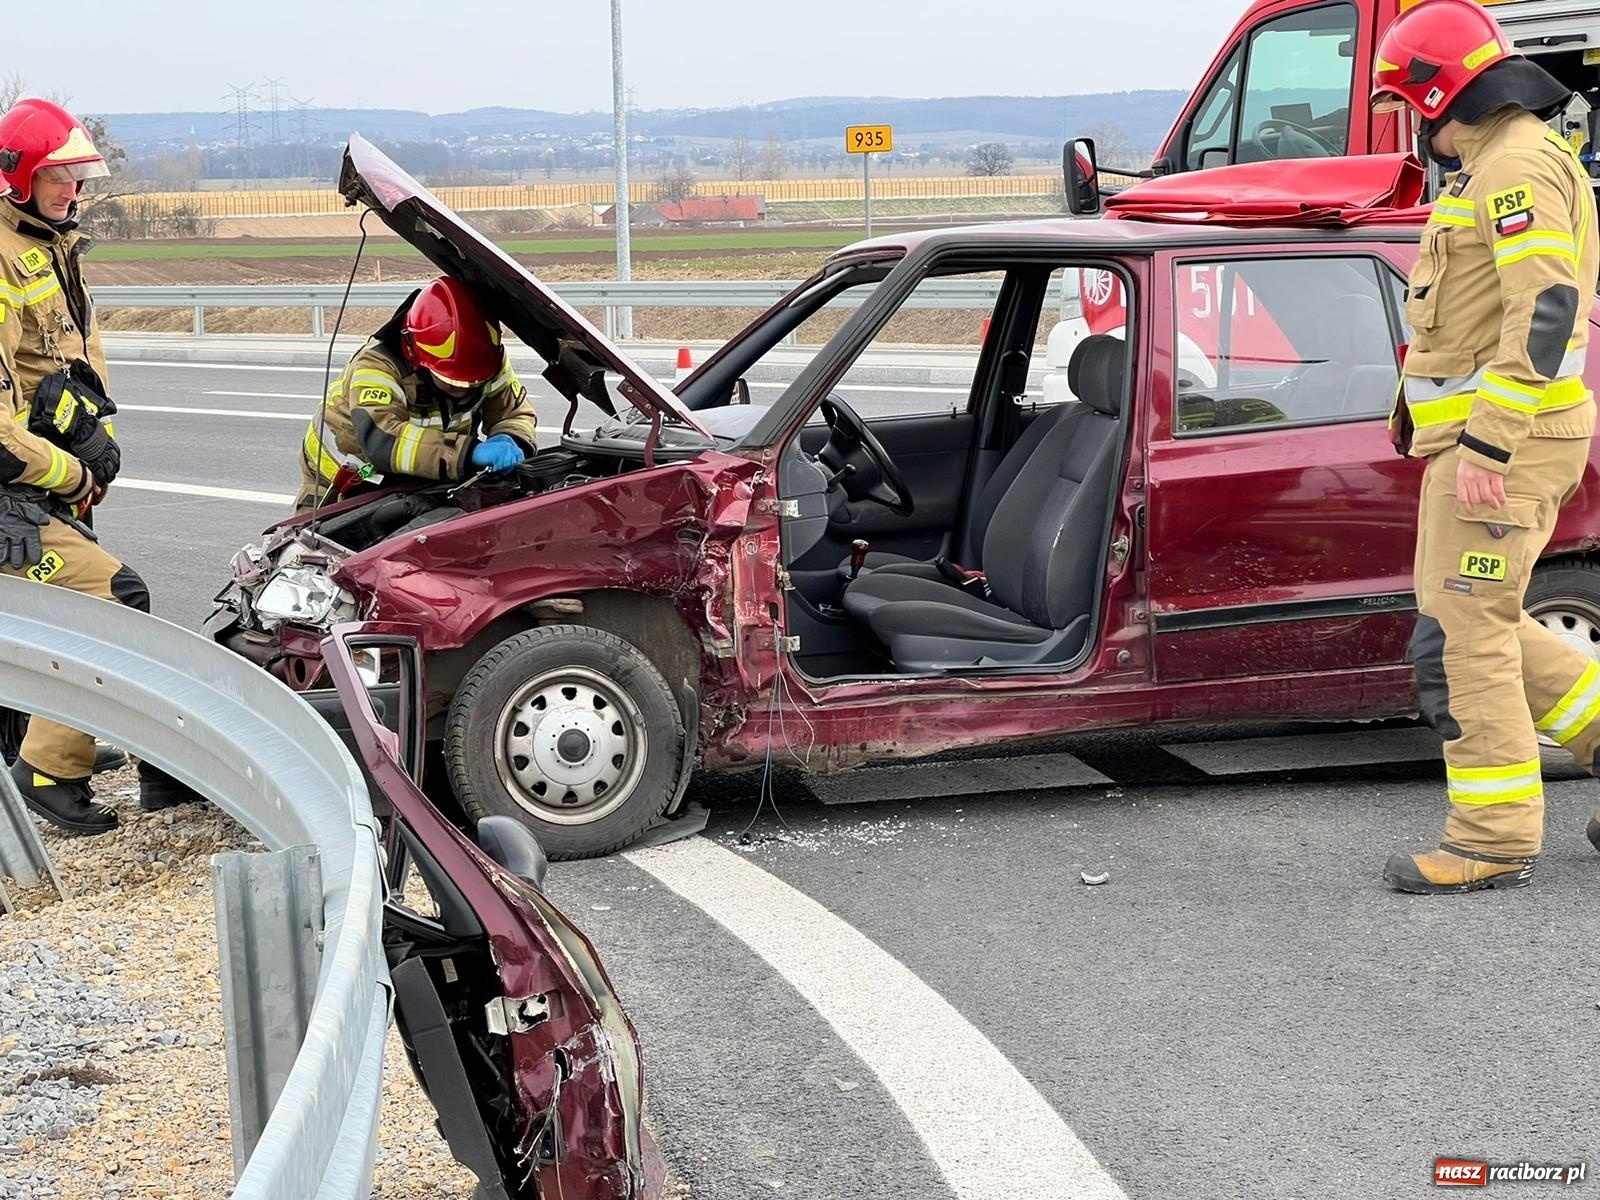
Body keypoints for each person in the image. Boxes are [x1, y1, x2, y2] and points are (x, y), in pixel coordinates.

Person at [1373, 0, 1600, 892]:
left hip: (1502, 448)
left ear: (1437, 97)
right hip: (1475, 443)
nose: (1411, 125)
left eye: (1408, 106)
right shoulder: (1495, 167)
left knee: (1465, 636)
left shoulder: (1515, 172)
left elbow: (1544, 312)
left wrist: (1490, 446)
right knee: (1478, 620)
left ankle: (1491, 840)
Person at [0, 97, 200, 828]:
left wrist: (90, 448)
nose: (71, 189)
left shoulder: (50, 245)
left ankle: (47, 735)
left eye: (78, 176)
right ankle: (49, 774)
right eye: (57, 175)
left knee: (57, 609)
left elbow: (63, 365)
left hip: (34, 482)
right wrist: (73, 474)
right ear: (19, 174)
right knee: (114, 598)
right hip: (10, 487)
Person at [296, 275, 540, 511]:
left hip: (421, 476)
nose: (464, 389)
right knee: (318, 549)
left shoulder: (485, 361)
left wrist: (511, 438)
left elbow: (515, 413)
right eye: (452, 381)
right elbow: (383, 439)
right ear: (417, 358)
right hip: (339, 482)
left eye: (474, 383)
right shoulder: (376, 365)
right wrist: (469, 453)